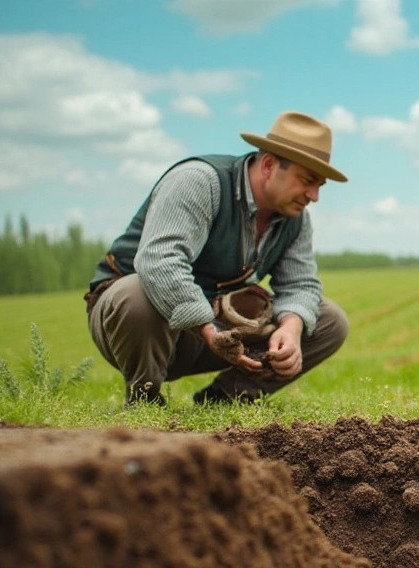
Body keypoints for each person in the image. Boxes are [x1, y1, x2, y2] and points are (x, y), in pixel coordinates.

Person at [86, 110, 350, 406]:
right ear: (268, 165)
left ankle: (224, 399)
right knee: (137, 293)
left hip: (216, 330)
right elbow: (160, 260)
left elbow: (301, 284)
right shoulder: (199, 181)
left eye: (319, 186)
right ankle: (144, 400)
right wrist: (207, 329)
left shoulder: (296, 219)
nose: (314, 195)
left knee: (329, 321)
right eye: (307, 180)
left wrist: (291, 329)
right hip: (138, 327)